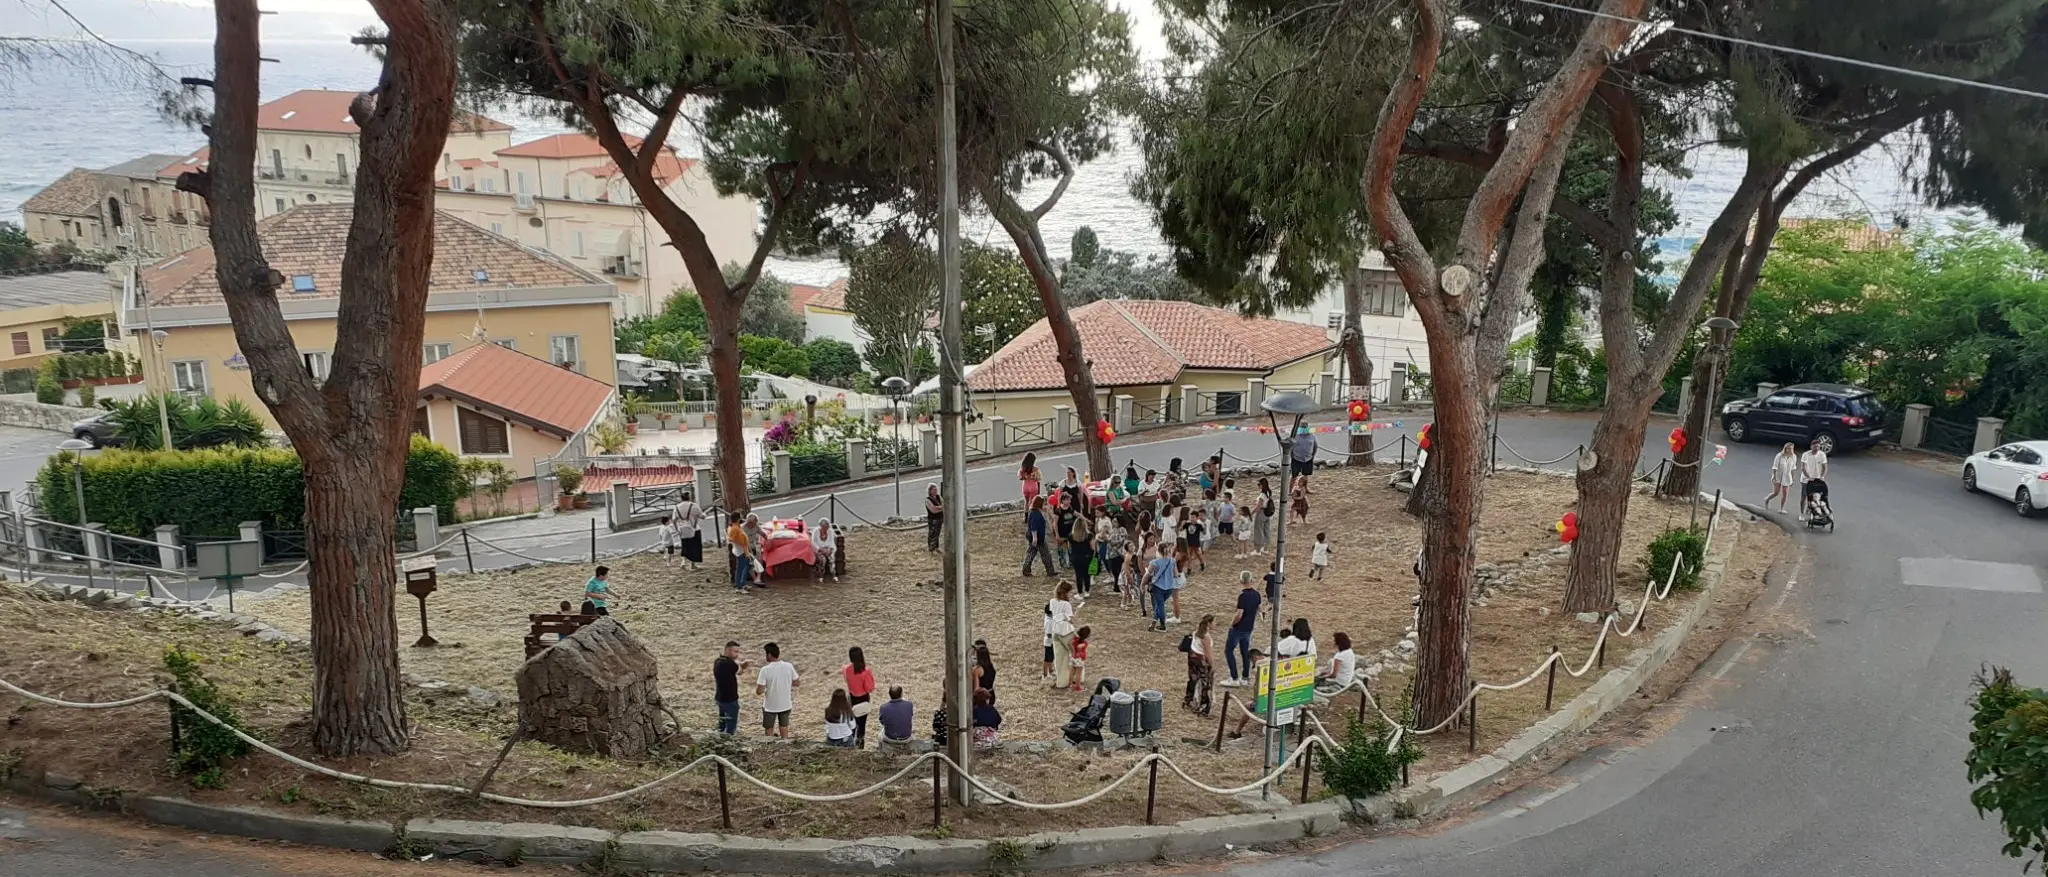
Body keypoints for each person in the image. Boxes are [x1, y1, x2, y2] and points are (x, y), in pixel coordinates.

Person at [755, 642, 800, 738]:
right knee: (784, 727)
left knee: (769, 729)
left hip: (770, 706)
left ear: (770, 655)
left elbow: (759, 691)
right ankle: (785, 744)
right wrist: (785, 683)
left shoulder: (765, 670)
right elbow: (797, 682)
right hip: (785, 704)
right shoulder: (788, 666)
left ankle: (770, 746)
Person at [1223, 572, 1260, 686]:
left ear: (1241, 581)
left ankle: (1234, 678)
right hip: (1249, 627)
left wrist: (1232, 624)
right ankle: (1245, 677)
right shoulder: (1256, 594)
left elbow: (1239, 614)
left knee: (1229, 651)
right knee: (1244, 652)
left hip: (1239, 628)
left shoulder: (1243, 596)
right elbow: (1258, 608)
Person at [1229, 649, 1268, 738]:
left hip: (1267, 700)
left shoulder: (1259, 665)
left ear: (1254, 658)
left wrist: (1254, 699)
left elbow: (1258, 686)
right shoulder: (1272, 660)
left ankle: (1237, 731)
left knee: (1248, 706)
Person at [712, 641, 749, 735]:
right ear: (727, 650)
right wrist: (743, 666)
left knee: (722, 723)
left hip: (720, 697)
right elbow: (738, 670)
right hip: (730, 699)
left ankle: (719, 740)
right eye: (735, 651)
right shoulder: (729, 664)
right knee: (730, 726)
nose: (737, 654)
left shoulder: (718, 661)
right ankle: (728, 742)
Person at [842, 646, 876, 748]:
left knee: (852, 721)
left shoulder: (846, 669)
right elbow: (870, 688)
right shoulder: (865, 671)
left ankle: (850, 741)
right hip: (863, 698)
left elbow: (846, 679)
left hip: (852, 698)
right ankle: (860, 742)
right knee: (862, 723)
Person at [1047, 582, 1078, 688]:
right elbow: (1070, 619)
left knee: (1060, 659)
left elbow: (1054, 615)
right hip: (1066, 633)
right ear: (1066, 593)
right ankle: (1076, 678)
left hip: (1055, 632)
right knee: (1076, 654)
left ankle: (1061, 682)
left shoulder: (1052, 601)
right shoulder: (1066, 604)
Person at [1184, 614, 1215, 715]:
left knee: (1193, 679)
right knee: (1205, 683)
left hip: (1192, 656)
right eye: (1214, 622)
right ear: (1209, 623)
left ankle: (1188, 699)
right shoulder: (1206, 637)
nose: (1215, 624)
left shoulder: (1197, 631)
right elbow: (1208, 654)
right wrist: (1212, 666)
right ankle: (1203, 705)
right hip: (1201, 660)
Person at [1022, 496, 1057, 576]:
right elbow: (1034, 527)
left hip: (1033, 537)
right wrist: (1035, 538)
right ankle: (1050, 571)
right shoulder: (1036, 514)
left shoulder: (1032, 511)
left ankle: (1026, 569)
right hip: (1038, 538)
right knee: (1046, 555)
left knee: (1030, 553)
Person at [1146, 543, 1178, 631]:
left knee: (1160, 605)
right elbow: (1176, 574)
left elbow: (1148, 574)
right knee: (1160, 604)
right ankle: (1154, 620)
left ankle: (1163, 625)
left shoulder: (1154, 562)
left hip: (1158, 587)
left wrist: (1142, 584)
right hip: (1170, 587)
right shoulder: (1172, 561)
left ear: (1158, 551)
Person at [672, 489, 705, 568]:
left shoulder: (676, 507)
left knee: (685, 546)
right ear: (689, 497)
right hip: (694, 529)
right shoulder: (694, 505)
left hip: (682, 529)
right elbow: (702, 516)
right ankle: (692, 564)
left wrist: (677, 529)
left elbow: (674, 520)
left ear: (681, 498)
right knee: (695, 547)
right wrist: (704, 514)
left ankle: (683, 562)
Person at [1068, 502, 1095, 598]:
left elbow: (1069, 547)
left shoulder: (1071, 536)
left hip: (1076, 557)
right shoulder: (1089, 535)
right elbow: (1093, 547)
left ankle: (1080, 593)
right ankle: (1087, 591)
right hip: (1087, 556)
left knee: (1078, 575)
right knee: (1087, 574)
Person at [1800, 437, 1831, 518]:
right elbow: (1803, 468)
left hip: (1817, 479)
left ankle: (1813, 510)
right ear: (1811, 447)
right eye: (1815, 447)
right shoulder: (1806, 455)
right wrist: (1808, 477)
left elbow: (1824, 467)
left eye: (1818, 447)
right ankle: (1802, 513)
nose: (1816, 448)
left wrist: (1822, 476)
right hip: (1806, 479)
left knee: (1816, 497)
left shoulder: (1822, 455)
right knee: (1804, 496)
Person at [1097, 511, 1125, 595]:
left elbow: (1121, 541)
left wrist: (1109, 540)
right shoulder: (1113, 529)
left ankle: (1117, 585)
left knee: (1117, 569)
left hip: (1118, 553)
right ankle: (1116, 584)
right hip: (1111, 553)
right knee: (1113, 569)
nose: (1113, 522)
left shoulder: (1122, 530)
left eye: (1115, 521)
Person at [1768, 442, 1799, 514]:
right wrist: (1774, 477)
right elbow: (1775, 467)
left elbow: (1793, 468)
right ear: (1786, 449)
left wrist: (1793, 477)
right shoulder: (1779, 456)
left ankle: (1782, 508)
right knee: (1776, 493)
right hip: (1778, 476)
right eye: (1789, 449)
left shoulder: (1794, 457)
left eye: (1792, 449)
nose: (1791, 450)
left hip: (1787, 477)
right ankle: (1767, 499)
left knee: (1785, 494)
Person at [727, 516, 754, 593]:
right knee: (740, 569)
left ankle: (742, 584)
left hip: (742, 550)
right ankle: (739, 587)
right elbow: (731, 539)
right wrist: (740, 544)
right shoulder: (735, 529)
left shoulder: (735, 526)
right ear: (738, 519)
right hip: (740, 551)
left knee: (745, 567)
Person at [742, 514, 768, 585]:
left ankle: (758, 578)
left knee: (759, 559)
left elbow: (763, 534)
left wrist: (767, 539)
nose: (755, 525)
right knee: (750, 561)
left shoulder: (756, 526)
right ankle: (755, 578)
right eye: (753, 523)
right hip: (745, 547)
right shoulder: (742, 528)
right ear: (749, 522)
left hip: (754, 545)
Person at [810, 518, 839, 583]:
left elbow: (832, 542)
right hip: (819, 549)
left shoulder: (830, 531)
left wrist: (829, 550)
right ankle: (821, 576)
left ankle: (834, 575)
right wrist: (820, 549)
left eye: (827, 526)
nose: (827, 528)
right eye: (825, 527)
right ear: (821, 526)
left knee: (832, 559)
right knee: (822, 560)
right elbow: (814, 543)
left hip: (828, 548)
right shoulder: (816, 531)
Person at [1251, 479, 1274, 555]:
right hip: (1268, 513)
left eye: (1259, 484)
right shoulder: (1269, 492)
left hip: (1261, 513)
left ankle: (1257, 550)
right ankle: (1265, 548)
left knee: (1258, 531)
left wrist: (1250, 513)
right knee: (1266, 530)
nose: (1258, 485)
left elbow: (1258, 507)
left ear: (1262, 485)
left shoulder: (1262, 495)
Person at [1020, 452, 1043, 520]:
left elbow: (1020, 477)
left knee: (1026, 501)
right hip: (1033, 486)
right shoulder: (1035, 469)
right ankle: (1032, 516)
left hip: (1025, 486)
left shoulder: (1022, 469)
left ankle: (1026, 516)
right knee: (1033, 502)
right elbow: (1039, 478)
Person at [1067, 625, 1091, 692]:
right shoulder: (1084, 643)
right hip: (1080, 659)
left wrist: (1074, 652)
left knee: (1072, 671)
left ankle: (1070, 684)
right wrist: (1079, 652)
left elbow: (1070, 643)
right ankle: (1078, 687)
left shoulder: (1075, 639)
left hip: (1073, 658)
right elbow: (1080, 646)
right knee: (1078, 674)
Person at [925, 484, 943, 553]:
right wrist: (941, 508)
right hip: (933, 519)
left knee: (937, 533)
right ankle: (931, 548)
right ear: (930, 491)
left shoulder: (938, 497)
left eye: (936, 489)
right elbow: (933, 510)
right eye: (934, 490)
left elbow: (943, 504)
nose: (936, 491)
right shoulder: (928, 499)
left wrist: (939, 507)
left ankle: (936, 547)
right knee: (932, 533)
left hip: (940, 518)